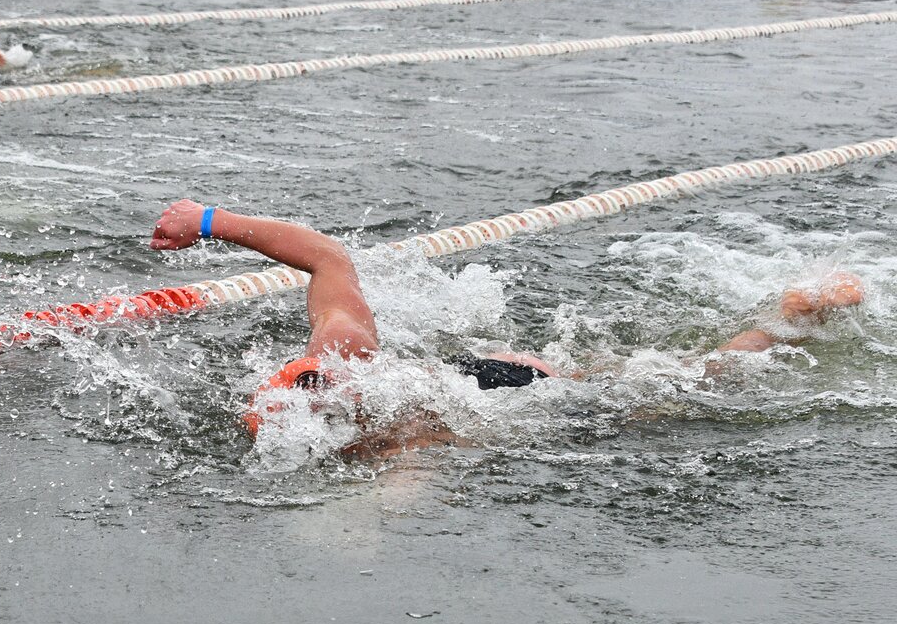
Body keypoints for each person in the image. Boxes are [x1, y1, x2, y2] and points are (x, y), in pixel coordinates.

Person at [149, 199, 865, 453]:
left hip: (524, 393)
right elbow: (326, 257)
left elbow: (414, 477)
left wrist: (366, 534)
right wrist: (206, 219)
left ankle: (786, 321)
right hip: (487, 368)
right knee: (674, 372)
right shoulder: (344, 353)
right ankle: (787, 314)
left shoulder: (385, 415)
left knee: (692, 382)